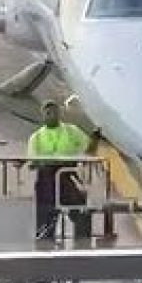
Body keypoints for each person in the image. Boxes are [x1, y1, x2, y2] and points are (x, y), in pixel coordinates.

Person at [27, 101, 100, 249]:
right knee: (46, 215)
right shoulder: (36, 137)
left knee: (81, 212)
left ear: (59, 113)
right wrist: (48, 162)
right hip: (47, 179)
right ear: (43, 115)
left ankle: (82, 248)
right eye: (48, 113)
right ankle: (45, 248)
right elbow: (32, 163)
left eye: (54, 112)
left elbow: (89, 149)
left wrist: (96, 136)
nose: (52, 115)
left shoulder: (72, 130)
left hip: (67, 175)